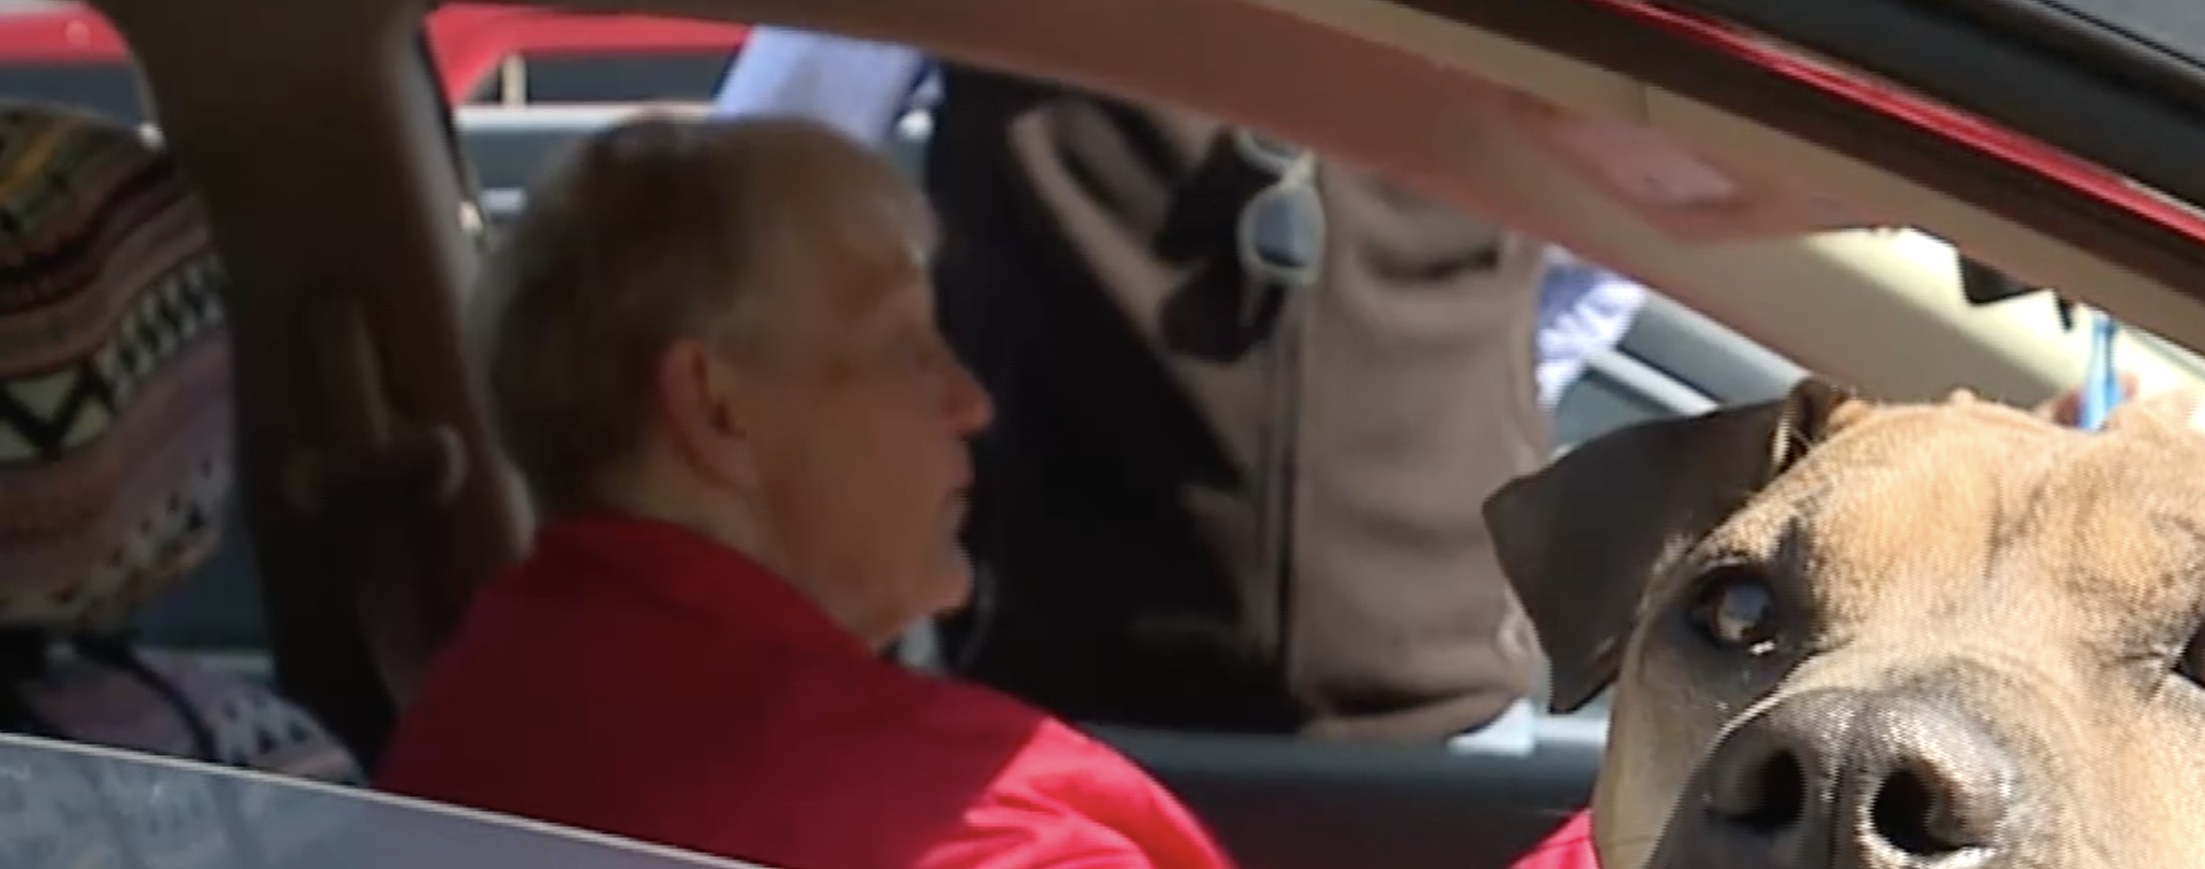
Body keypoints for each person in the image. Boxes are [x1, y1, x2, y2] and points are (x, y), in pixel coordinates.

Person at [361, 115, 1605, 869]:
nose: (969, 400)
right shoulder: (889, 853)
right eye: (905, 345)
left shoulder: (503, 696)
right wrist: (1686, 828)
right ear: (716, 411)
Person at [705, 32, 1647, 744]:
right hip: (1055, 716)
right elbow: (757, 189)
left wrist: (1486, 408)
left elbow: (1635, 218)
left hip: (1446, 717)